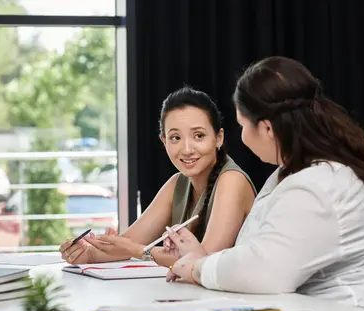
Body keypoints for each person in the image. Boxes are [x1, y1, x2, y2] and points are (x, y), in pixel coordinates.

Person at [162, 56, 364, 311]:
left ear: (266, 128)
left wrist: (198, 268)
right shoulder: (295, 174)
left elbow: (266, 271)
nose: (241, 137)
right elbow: (258, 251)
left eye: (242, 126)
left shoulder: (318, 185)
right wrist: (199, 259)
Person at [59, 86, 257, 267]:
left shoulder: (232, 181)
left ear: (219, 137)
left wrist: (137, 251)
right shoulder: (177, 184)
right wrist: (88, 253)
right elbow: (129, 242)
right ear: (164, 141)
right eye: (175, 138)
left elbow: (205, 260)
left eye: (198, 136)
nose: (187, 149)